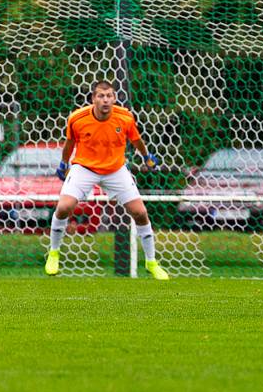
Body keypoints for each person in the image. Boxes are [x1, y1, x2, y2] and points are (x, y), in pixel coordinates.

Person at [44, 80, 170, 280]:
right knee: (64, 207)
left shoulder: (125, 117)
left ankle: (152, 262)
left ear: (114, 98)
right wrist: (63, 163)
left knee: (140, 212)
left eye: (109, 96)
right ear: (93, 99)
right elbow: (70, 142)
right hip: (85, 168)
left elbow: (136, 139)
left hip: (115, 169)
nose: (105, 100)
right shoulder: (77, 118)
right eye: (101, 96)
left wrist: (147, 157)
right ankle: (53, 253)